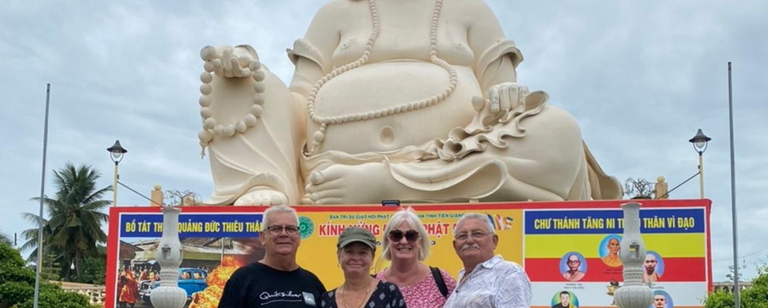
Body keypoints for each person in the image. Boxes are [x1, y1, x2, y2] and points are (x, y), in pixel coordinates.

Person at [198, 0, 622, 206]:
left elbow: (508, 100)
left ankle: (387, 184)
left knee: (559, 129)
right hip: (328, 166)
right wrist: (249, 71)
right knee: (235, 76)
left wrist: (504, 92)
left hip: (456, 153)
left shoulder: (470, 10)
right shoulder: (335, 14)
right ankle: (267, 184)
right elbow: (298, 102)